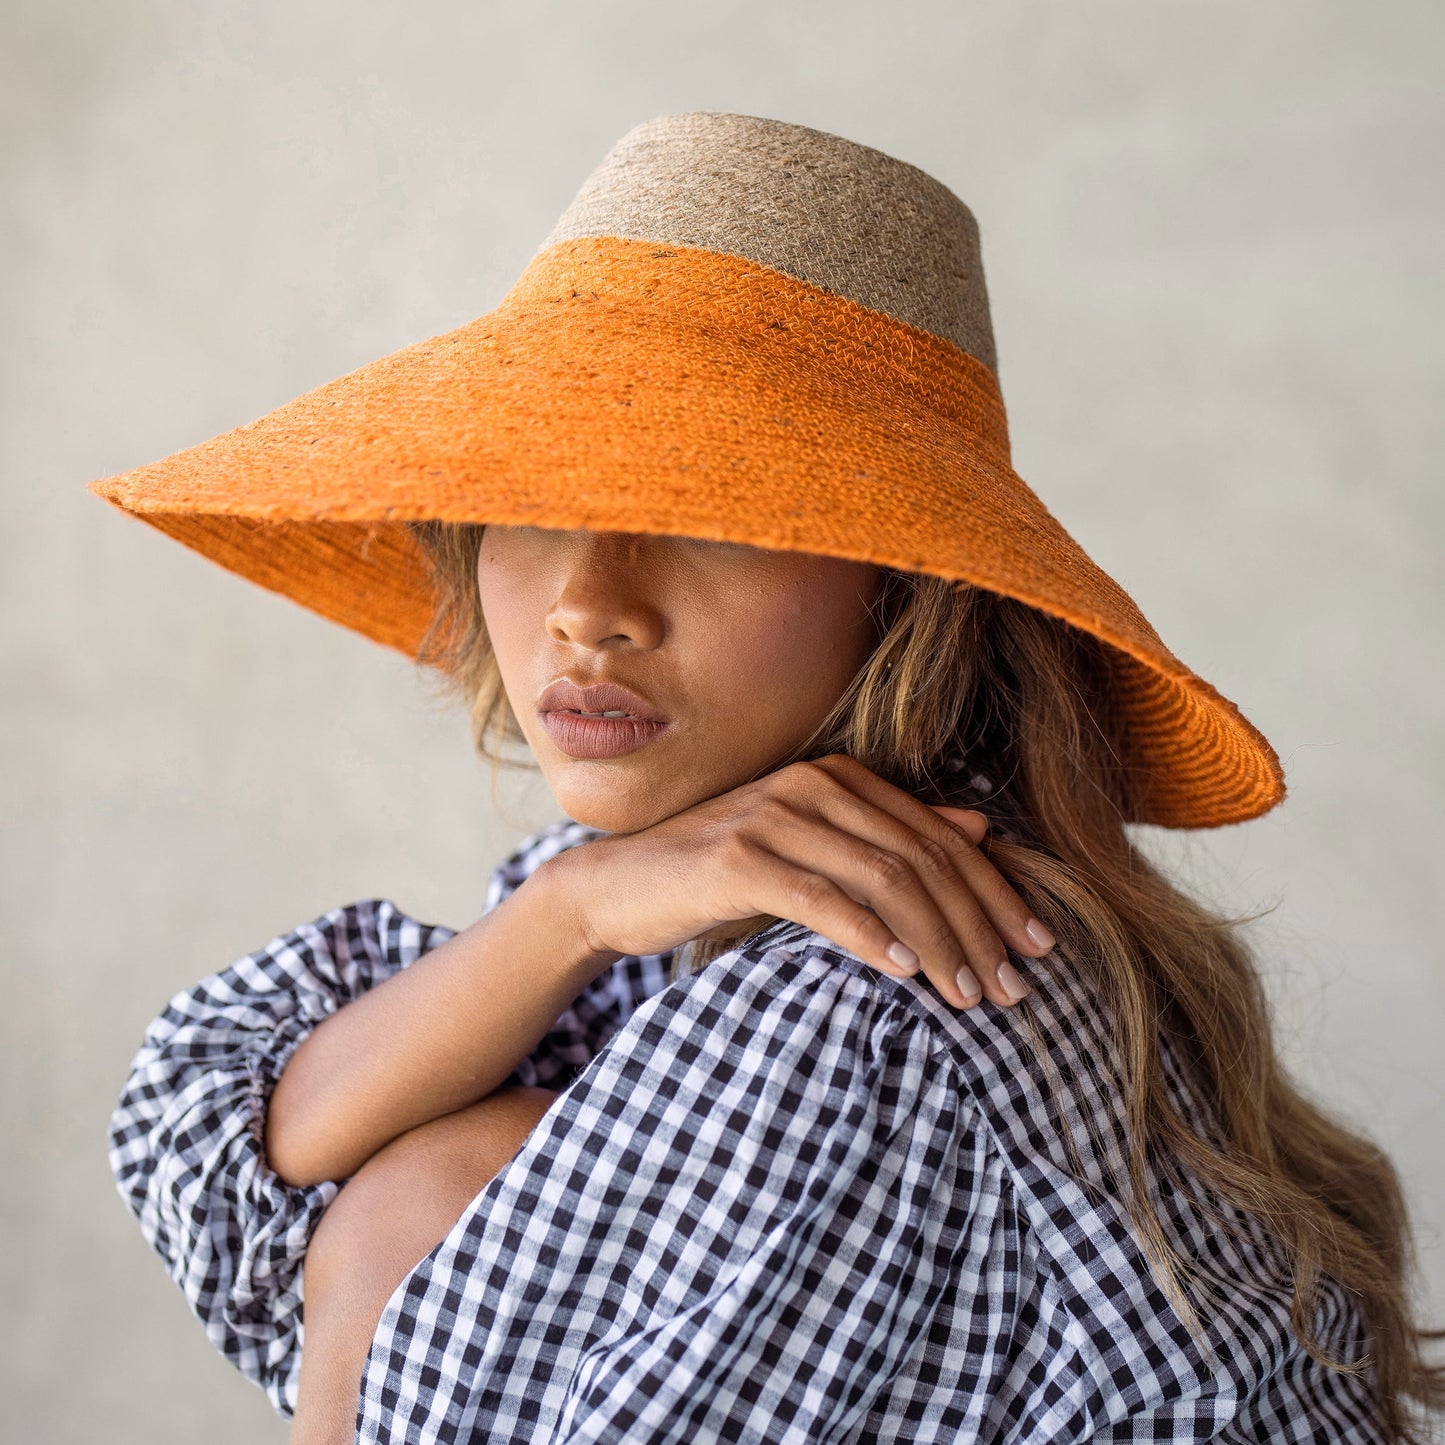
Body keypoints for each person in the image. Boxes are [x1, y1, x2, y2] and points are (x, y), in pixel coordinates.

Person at [92, 112, 1442, 1443]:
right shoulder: (685, 895)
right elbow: (217, 1136)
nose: (586, 607)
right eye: (537, 504)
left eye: (706, 515)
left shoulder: (871, 994)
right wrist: (569, 913)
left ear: (897, 586)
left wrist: (409, 1210)